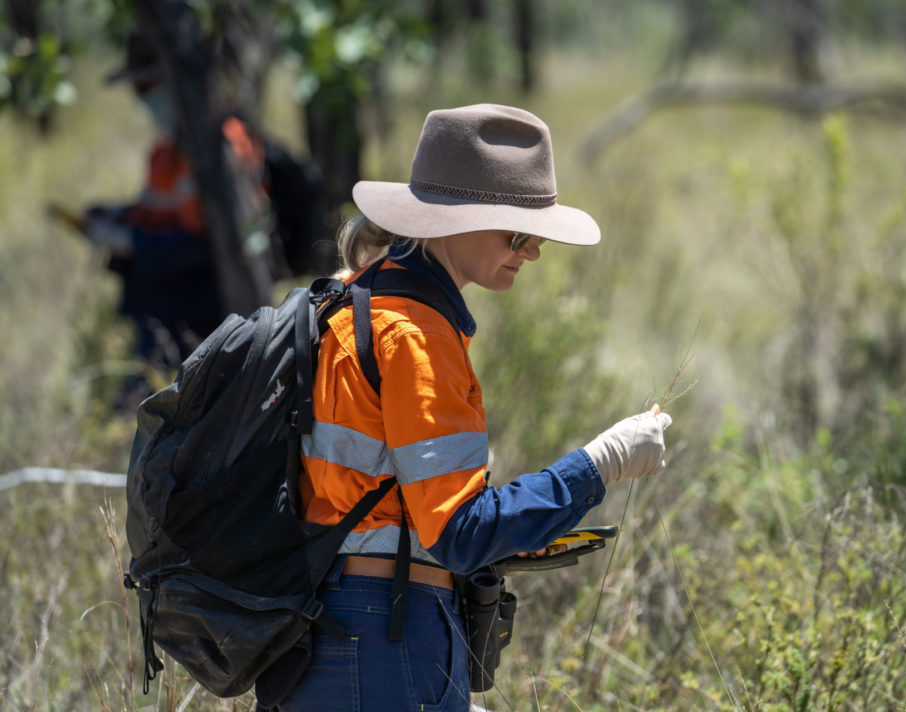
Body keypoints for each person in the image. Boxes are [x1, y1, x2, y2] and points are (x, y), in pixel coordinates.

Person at [282, 104, 673, 711]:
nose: (533, 251)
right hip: (386, 630)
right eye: (519, 232)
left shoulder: (356, 302)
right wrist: (601, 464)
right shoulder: (416, 336)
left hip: (326, 627)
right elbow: (458, 535)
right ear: (455, 222)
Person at [78, 31, 272, 368]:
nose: (143, 98)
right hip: (159, 305)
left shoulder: (224, 146)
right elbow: (160, 211)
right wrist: (119, 218)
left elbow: (205, 243)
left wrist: (130, 241)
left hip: (203, 313)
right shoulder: (167, 149)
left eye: (148, 87)